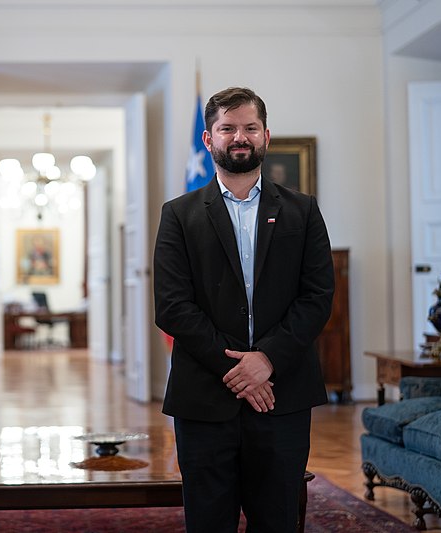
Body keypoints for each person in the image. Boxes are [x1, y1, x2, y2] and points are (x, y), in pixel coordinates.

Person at [153, 86, 334, 532]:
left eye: (250, 128)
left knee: (278, 521)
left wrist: (267, 359)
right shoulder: (178, 213)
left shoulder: (303, 211)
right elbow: (173, 306)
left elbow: (318, 297)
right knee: (208, 521)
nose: (240, 137)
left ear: (266, 136)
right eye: (227, 128)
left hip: (283, 393)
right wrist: (239, 369)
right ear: (208, 139)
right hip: (204, 395)